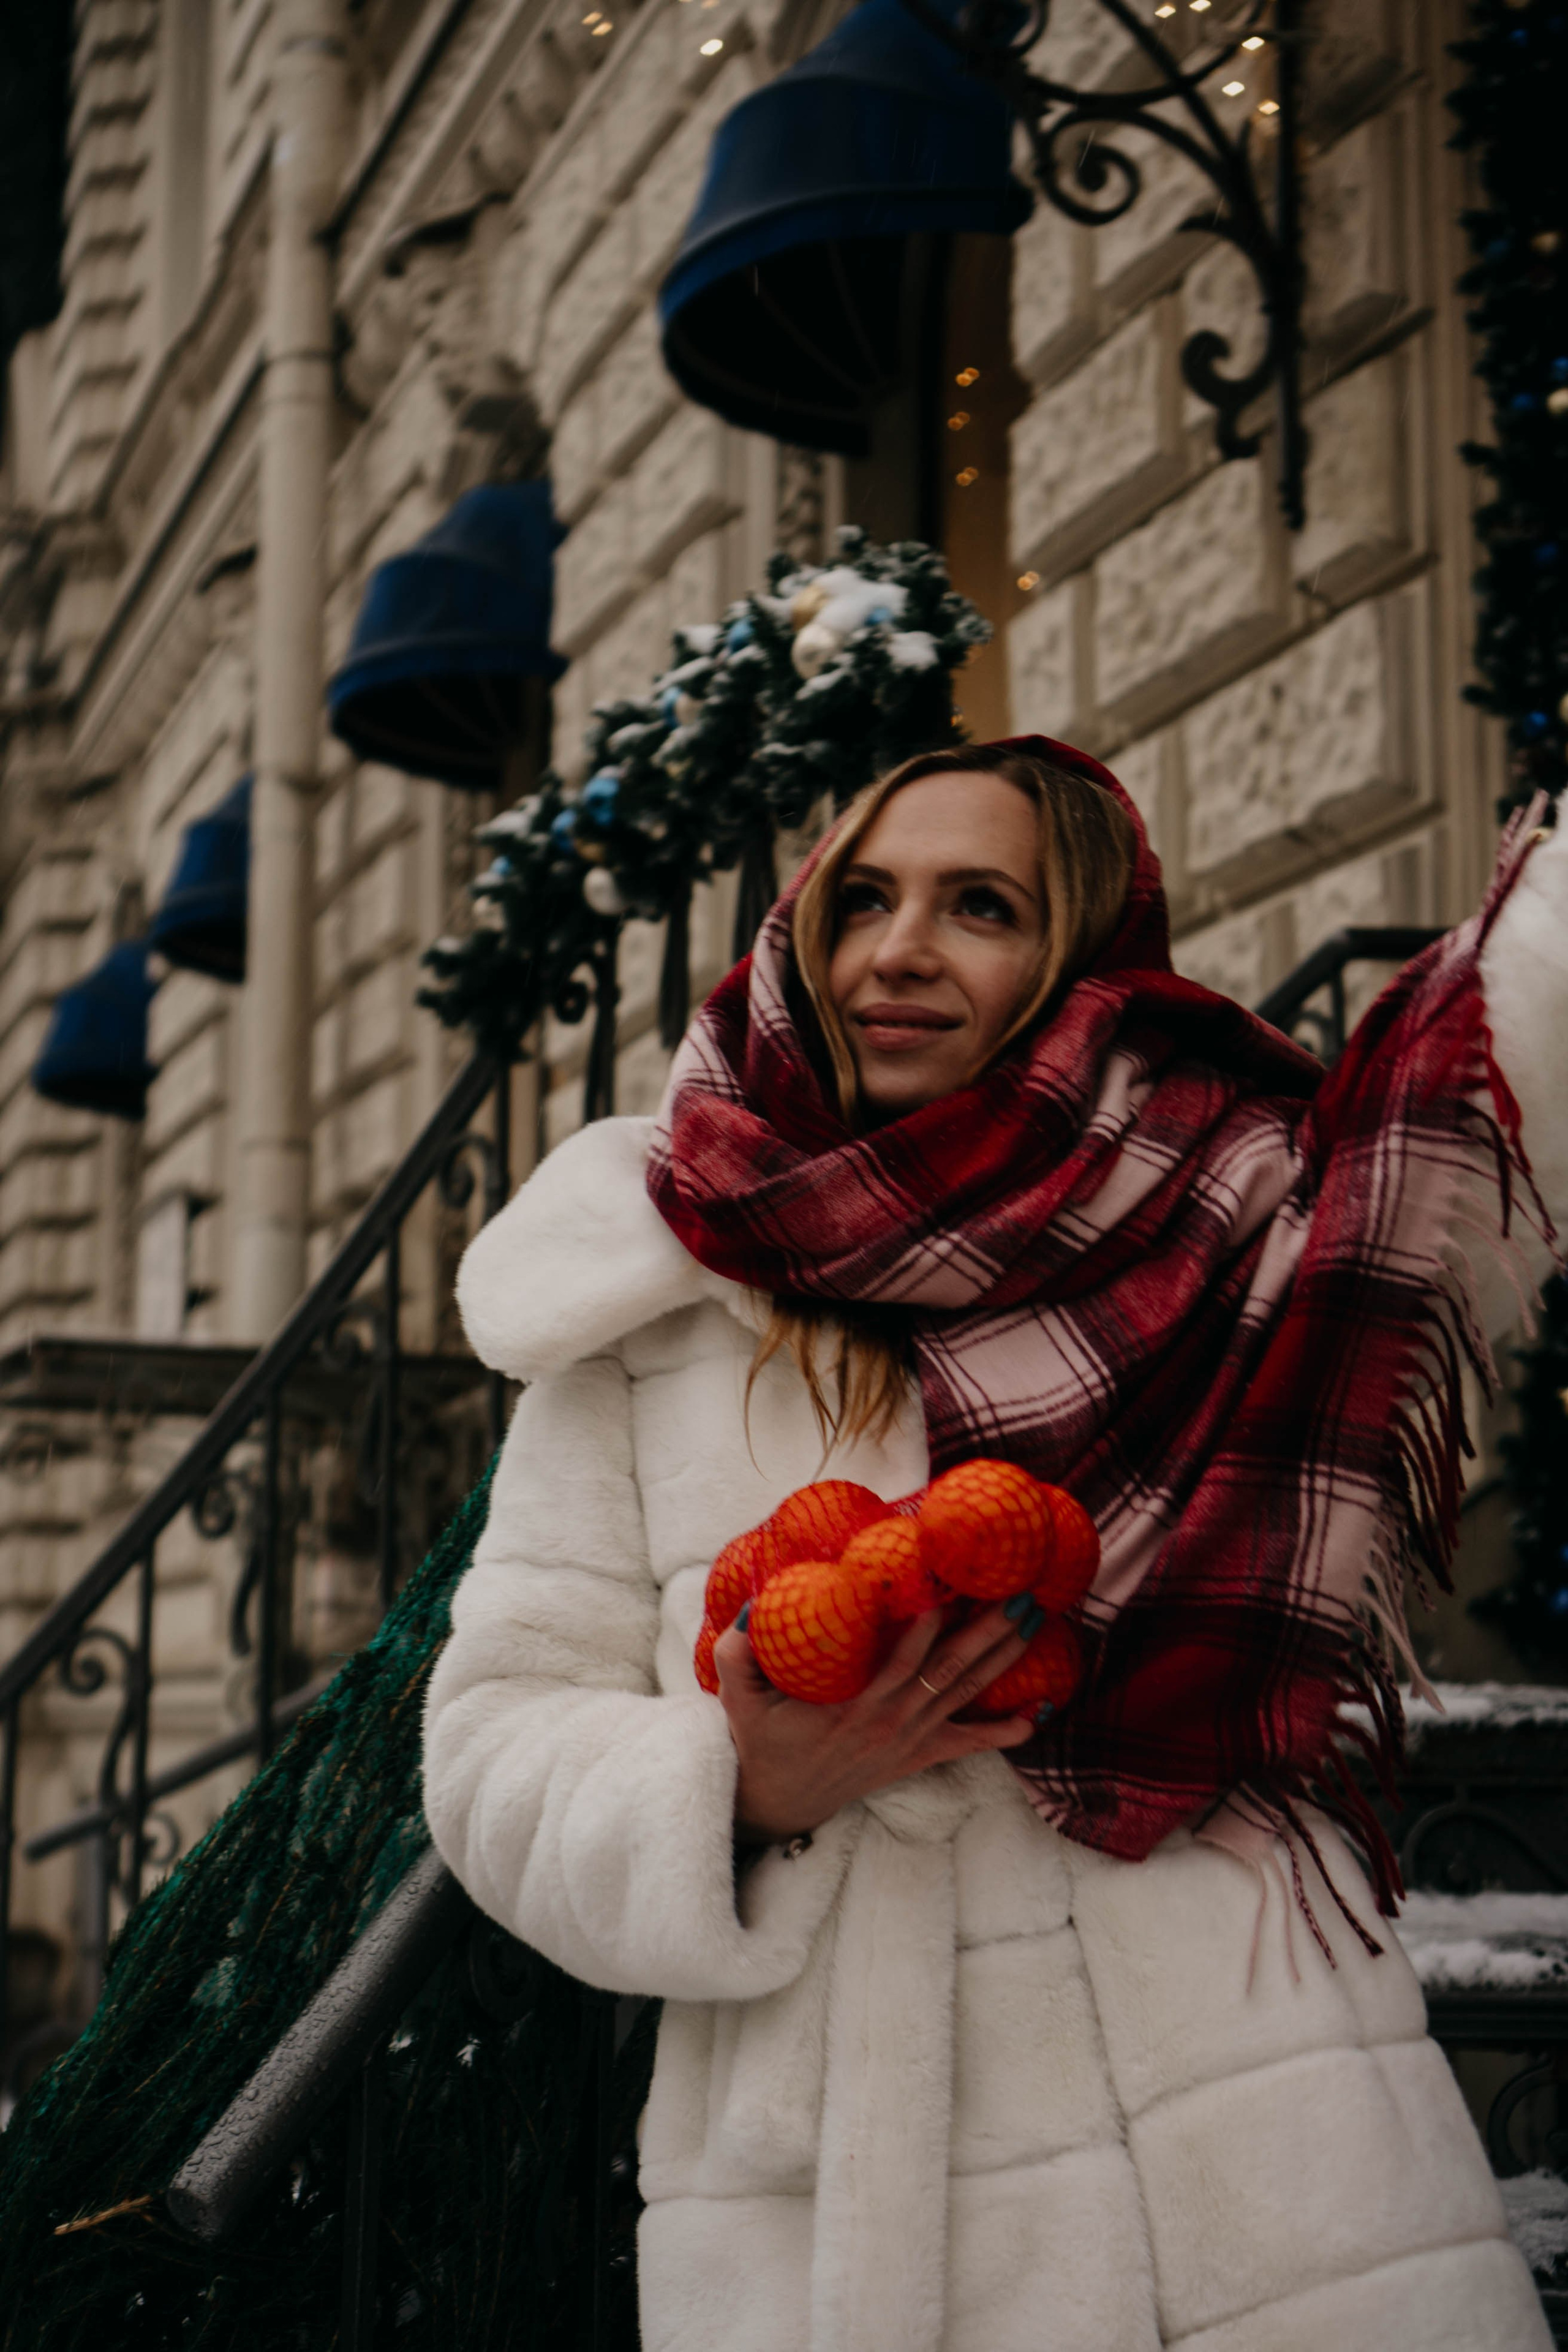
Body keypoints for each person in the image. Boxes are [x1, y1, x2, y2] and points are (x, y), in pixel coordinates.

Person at [424, 736, 1566, 2352]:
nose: (900, 950)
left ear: (1078, 958)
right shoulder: (653, 1308)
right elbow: (489, 1752)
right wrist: (741, 1790)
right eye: (865, 901)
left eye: (982, 906)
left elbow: (1489, 1099)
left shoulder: (1232, 1212)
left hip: (1263, 2157)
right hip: (863, 2208)